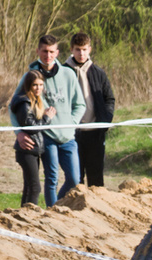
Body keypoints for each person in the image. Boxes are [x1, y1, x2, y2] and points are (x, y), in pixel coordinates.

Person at [9, 35, 85, 207]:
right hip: (46, 135)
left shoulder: (68, 74)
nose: (48, 55)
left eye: (51, 52)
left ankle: (59, 206)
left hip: (67, 136)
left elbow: (80, 104)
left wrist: (70, 123)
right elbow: (13, 106)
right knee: (52, 178)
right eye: (44, 51)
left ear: (57, 52)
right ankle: (52, 212)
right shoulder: (30, 76)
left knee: (74, 179)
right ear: (38, 51)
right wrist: (19, 132)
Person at [64, 32, 116, 188]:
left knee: (96, 179)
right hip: (72, 133)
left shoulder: (98, 72)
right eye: (78, 49)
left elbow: (109, 99)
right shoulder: (63, 72)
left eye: (85, 49)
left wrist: (104, 122)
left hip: (95, 132)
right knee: (75, 179)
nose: (81, 53)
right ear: (71, 49)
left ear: (90, 49)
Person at [10, 70, 56, 206]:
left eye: (41, 85)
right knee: (35, 188)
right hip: (26, 151)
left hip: (34, 150)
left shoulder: (35, 100)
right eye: (35, 85)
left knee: (29, 187)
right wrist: (47, 118)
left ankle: (23, 216)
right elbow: (32, 127)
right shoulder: (24, 102)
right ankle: (30, 217)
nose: (38, 88)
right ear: (28, 85)